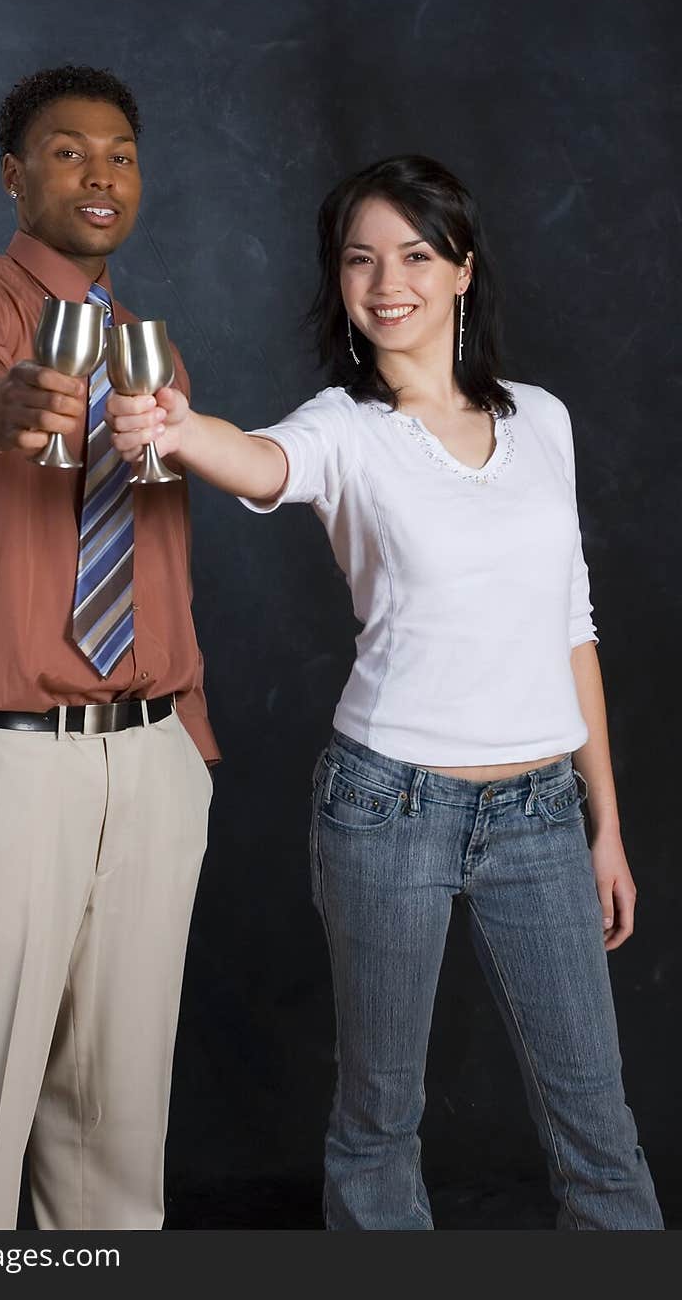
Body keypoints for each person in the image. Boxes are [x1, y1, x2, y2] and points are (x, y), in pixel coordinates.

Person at [105, 154, 663, 1230]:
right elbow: (262, 460)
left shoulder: (544, 420)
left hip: (543, 813)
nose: (386, 280)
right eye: (359, 259)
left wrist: (606, 825)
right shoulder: (343, 429)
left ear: (461, 268)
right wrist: (178, 430)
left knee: (598, 1122)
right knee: (377, 1118)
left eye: (413, 253)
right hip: (386, 808)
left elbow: (571, 627)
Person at [0, 65, 217, 1231]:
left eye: (120, 153)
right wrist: (8, 404)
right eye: (67, 152)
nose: (99, 173)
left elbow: (162, 555)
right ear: (15, 174)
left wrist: (190, 742)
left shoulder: (154, 357)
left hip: (154, 758)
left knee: (119, 1120)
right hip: (16, 762)